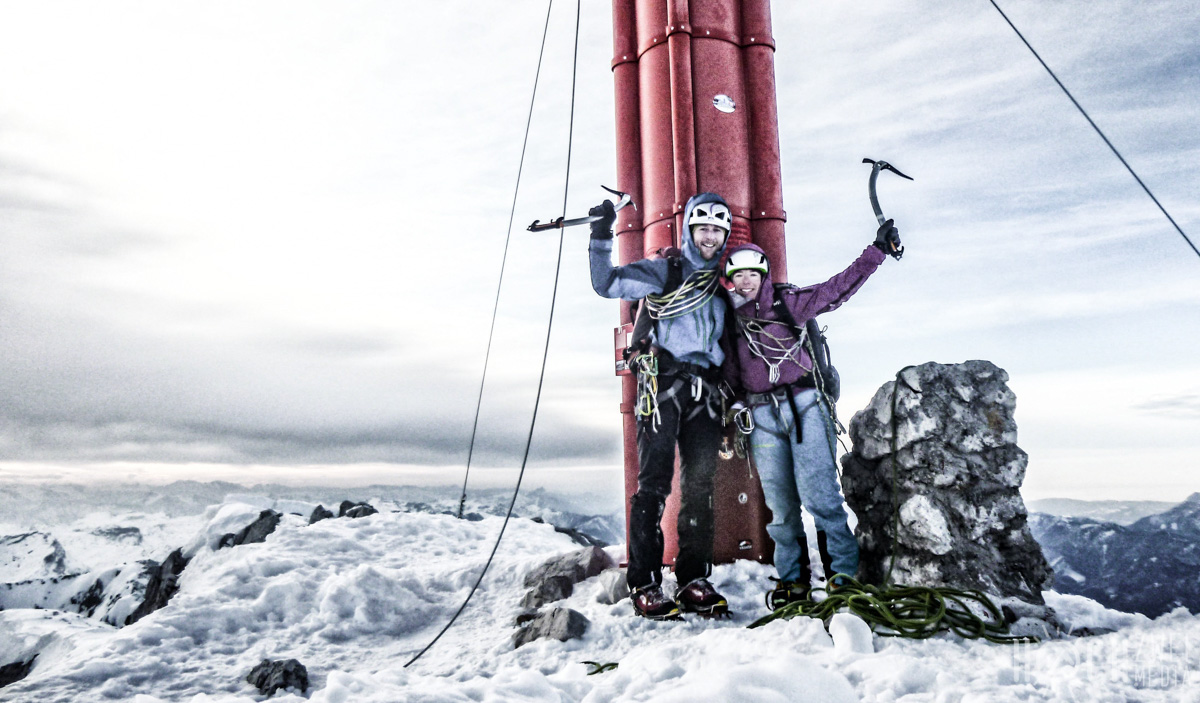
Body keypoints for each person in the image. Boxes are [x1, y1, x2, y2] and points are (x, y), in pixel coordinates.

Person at [721, 221, 901, 610]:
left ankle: (843, 577)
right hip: (761, 415)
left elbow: (837, 290)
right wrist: (735, 404)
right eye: (738, 275)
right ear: (732, 281)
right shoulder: (732, 322)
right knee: (781, 507)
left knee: (821, 498)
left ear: (763, 274)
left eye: (752, 273)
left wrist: (876, 252)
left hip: (804, 407)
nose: (746, 280)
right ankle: (793, 582)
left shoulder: (789, 303)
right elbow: (732, 373)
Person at [588, 192, 734, 620]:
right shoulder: (666, 271)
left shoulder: (726, 278)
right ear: (689, 229)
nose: (710, 237)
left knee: (699, 487)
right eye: (702, 228)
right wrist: (601, 235)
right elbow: (607, 284)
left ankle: (692, 578)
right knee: (653, 485)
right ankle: (645, 581)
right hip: (662, 386)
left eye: (717, 230)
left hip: (705, 392)